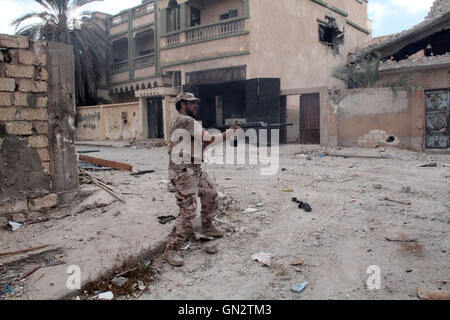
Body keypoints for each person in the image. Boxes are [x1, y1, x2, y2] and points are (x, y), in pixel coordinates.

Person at [164, 92, 241, 267]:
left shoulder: (185, 123)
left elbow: (204, 143)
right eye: (192, 103)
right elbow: (209, 138)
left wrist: (225, 134)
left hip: (194, 168)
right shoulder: (186, 120)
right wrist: (229, 133)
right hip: (183, 171)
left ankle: (207, 226)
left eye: (196, 103)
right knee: (188, 211)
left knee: (210, 193)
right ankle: (172, 248)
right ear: (182, 104)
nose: (196, 105)